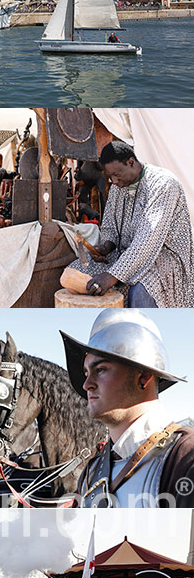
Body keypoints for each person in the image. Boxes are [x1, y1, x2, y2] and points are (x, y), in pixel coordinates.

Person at [60, 309, 194, 507]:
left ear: (143, 377)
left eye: (101, 369)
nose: (87, 384)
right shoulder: (92, 471)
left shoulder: (185, 458)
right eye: (86, 372)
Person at [62, 140, 194, 307]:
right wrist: (106, 247)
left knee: (141, 289)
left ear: (131, 162)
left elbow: (148, 240)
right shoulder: (118, 186)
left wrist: (112, 276)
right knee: (74, 272)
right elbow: (109, 225)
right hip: (125, 254)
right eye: (109, 176)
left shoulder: (164, 184)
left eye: (117, 174)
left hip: (164, 256)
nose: (113, 181)